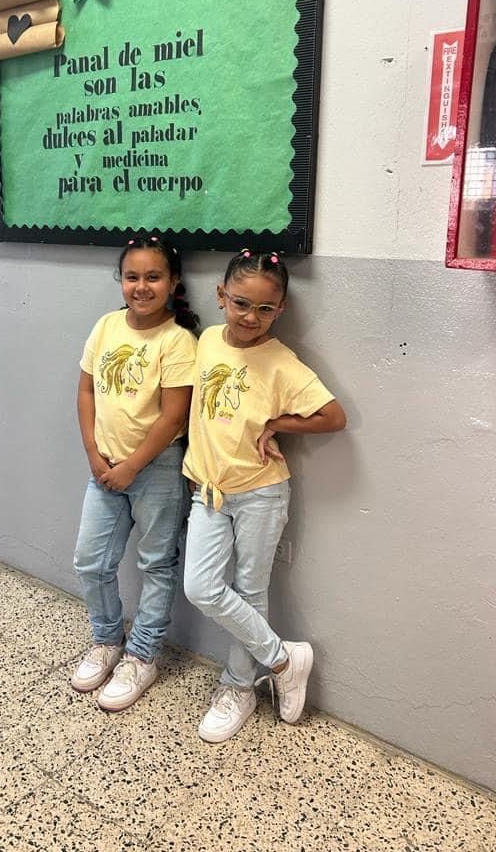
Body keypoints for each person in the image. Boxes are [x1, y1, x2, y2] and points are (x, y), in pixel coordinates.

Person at [182, 249, 346, 742]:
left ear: (281, 309)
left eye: (264, 309)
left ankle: (238, 688)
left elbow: (333, 416)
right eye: (240, 303)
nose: (250, 317)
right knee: (201, 587)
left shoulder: (281, 363)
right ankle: (282, 660)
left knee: (251, 591)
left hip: (261, 493)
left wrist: (277, 422)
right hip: (207, 492)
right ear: (221, 296)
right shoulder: (208, 341)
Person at [71, 235, 198, 711]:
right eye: (132, 276)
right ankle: (107, 640)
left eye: (153, 277)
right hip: (104, 467)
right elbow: (86, 392)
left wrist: (131, 467)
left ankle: (142, 655)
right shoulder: (106, 326)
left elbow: (173, 416)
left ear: (173, 282)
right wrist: (94, 454)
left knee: (156, 564)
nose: (141, 286)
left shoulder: (178, 341)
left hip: (156, 469)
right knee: (90, 561)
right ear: (121, 280)